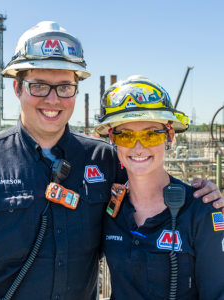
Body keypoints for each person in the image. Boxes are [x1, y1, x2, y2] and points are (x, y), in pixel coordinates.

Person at [0, 23, 221, 300]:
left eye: (65, 87)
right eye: (39, 85)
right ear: (17, 87)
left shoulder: (103, 159)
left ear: (75, 90)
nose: (53, 100)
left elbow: (146, 172)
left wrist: (203, 194)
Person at [96, 75, 224, 300]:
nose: (138, 147)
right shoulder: (106, 207)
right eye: (125, 135)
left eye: (150, 135)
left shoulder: (201, 210)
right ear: (112, 138)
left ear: (169, 136)